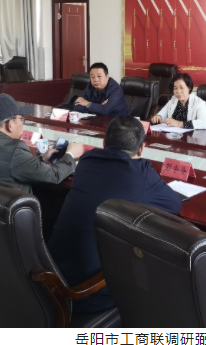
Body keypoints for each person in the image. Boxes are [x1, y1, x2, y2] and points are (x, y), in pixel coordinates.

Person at [48, 116, 182, 312]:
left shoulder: (86, 161)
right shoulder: (141, 171)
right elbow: (174, 204)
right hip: (86, 292)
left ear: (104, 143)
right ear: (142, 149)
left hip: (53, 275)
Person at [0, 94, 84, 193]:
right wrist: (70, 155)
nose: (22, 123)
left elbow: (9, 165)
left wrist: (41, 159)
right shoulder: (14, 149)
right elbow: (54, 176)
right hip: (6, 216)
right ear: (10, 125)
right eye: (21, 119)